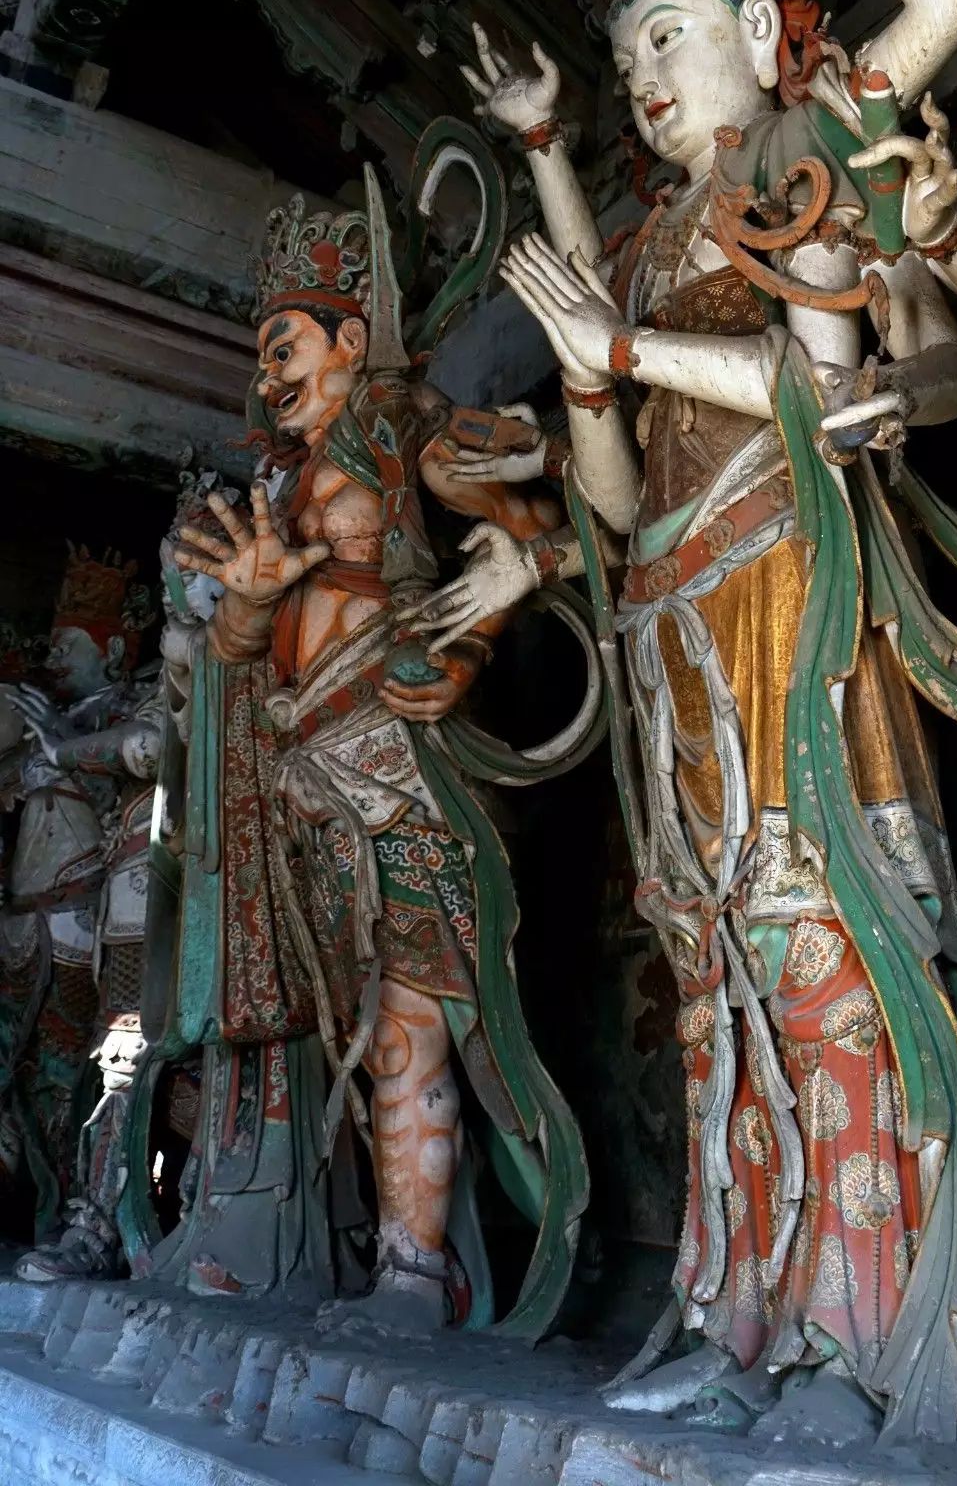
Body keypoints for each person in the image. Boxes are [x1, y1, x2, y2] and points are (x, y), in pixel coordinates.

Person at [414, 0, 957, 1441]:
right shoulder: (654, 233)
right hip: (674, 626)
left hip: (797, 600)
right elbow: (613, 496)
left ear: (758, 26)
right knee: (712, 979)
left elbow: (942, 13)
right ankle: (744, 1318)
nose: (644, 73)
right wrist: (588, 343)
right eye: (626, 48)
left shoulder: (807, 161)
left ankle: (871, 1341)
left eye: (667, 32)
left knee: (820, 948)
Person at [169, 180, 590, 1328]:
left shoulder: (396, 429)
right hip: (310, 781)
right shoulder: (280, 486)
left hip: (401, 765)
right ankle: (408, 1255)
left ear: (352, 341)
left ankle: (416, 1272)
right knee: (355, 1028)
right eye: (262, 356)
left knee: (414, 1018)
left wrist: (470, 642)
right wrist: (248, 602)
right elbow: (238, 646)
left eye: (285, 346)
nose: (268, 376)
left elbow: (531, 529)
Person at [0, 549, 155, 1239]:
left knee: (62, 1071)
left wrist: (63, 748)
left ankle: (61, 1211)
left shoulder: (126, 711)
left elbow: (133, 783)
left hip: (80, 918)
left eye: (70, 643)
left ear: (114, 650)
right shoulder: (36, 717)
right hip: (22, 916)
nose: (54, 655)